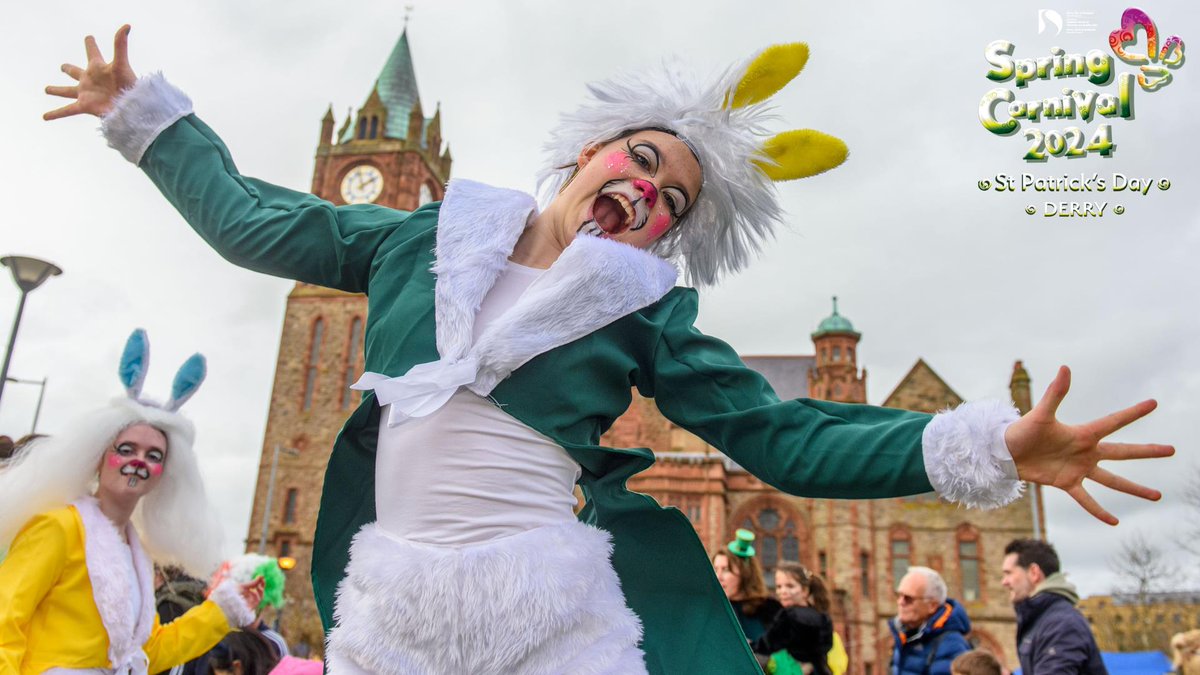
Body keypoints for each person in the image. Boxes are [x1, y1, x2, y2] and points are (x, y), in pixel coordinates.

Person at [44, 26, 1173, 674]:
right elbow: (256, 223)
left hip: (552, 610)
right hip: (391, 609)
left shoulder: (640, 313)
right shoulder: (422, 238)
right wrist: (149, 117)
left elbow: (781, 432)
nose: (645, 190)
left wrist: (978, 443)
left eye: (673, 199)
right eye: (639, 159)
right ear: (588, 151)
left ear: (671, 236)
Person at [0, 329, 263, 674]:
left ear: (163, 473)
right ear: (99, 455)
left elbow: (147, 651)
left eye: (153, 454)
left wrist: (223, 610)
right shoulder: (58, 527)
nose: (138, 461)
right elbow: (5, 622)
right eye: (126, 449)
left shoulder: (137, 552)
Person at [1001, 539, 1107, 674]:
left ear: (1034, 573)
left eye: (1008, 573)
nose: (1004, 582)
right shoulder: (1043, 620)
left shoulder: (1061, 624)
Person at [752, 562, 843, 675]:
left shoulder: (789, 616)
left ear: (805, 591)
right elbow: (826, 646)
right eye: (779, 586)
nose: (783, 591)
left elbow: (766, 645)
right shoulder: (822, 616)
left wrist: (748, 645)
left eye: (790, 586)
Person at [888, 567, 971, 675]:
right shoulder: (905, 636)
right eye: (899, 595)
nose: (900, 602)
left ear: (932, 605)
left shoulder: (952, 644)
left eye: (908, 598)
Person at [713, 530, 782, 644]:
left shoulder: (770, 609)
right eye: (715, 570)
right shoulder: (711, 610)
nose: (718, 577)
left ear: (745, 573)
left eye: (726, 570)